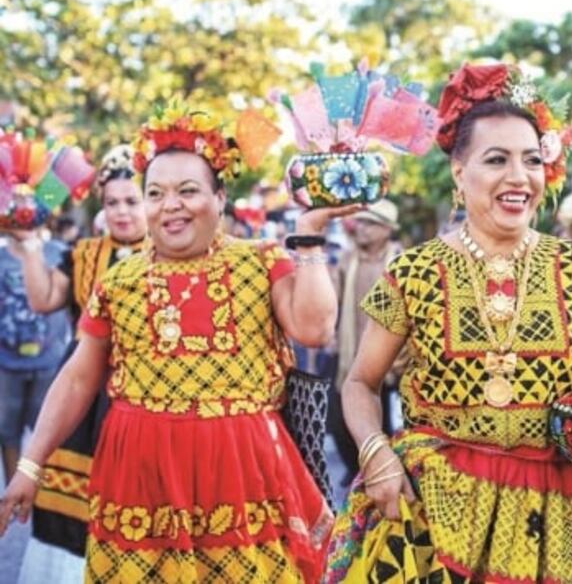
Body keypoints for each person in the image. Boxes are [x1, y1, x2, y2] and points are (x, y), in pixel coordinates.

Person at [325, 63, 572, 583]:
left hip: (560, 511)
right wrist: (375, 455)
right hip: (436, 507)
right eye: (496, 159)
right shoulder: (414, 271)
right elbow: (360, 382)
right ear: (460, 174)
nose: (519, 177)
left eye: (532, 160)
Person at [0, 103, 360, 582]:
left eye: (188, 191)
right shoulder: (119, 279)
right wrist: (30, 464)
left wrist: (310, 236)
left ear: (220, 196)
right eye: (156, 193)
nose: (170, 205)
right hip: (140, 478)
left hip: (243, 474)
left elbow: (315, 329)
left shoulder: (260, 261)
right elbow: (78, 378)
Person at [6, 144, 148, 581]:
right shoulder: (84, 253)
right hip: (83, 395)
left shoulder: (171, 252)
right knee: (70, 509)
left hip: (143, 392)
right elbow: (43, 299)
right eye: (112, 203)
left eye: (132, 201)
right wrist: (29, 248)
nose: (122, 212)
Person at [330, 199, 403, 487]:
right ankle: (356, 466)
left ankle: (387, 472)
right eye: (359, 222)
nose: (362, 228)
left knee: (388, 422)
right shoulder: (348, 260)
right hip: (350, 355)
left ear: (387, 229)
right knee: (339, 420)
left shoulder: (401, 261)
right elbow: (332, 301)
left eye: (370, 223)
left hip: (393, 358)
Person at [0, 230, 71, 482]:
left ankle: (43, 491)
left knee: (48, 429)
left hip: (50, 363)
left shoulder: (60, 253)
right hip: (6, 365)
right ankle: (12, 492)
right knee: (7, 429)